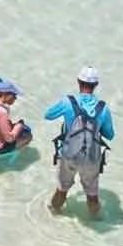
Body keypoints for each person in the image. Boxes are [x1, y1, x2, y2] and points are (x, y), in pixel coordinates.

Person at [46, 67, 115, 219]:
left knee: (61, 190)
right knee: (92, 196)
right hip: (91, 157)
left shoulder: (67, 101)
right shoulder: (103, 108)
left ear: (78, 82)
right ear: (96, 85)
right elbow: (110, 135)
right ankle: (96, 221)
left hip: (69, 154)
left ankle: (53, 215)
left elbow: (48, 115)